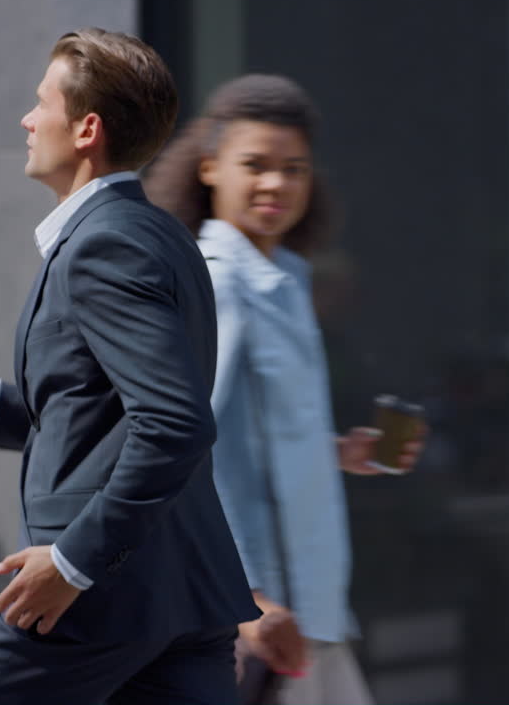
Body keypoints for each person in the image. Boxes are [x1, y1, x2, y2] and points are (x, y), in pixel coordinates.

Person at [0, 29, 259, 704]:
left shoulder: (104, 247)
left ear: (86, 129)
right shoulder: (159, 236)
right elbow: (113, 415)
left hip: (98, 600)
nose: (27, 119)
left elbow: (176, 425)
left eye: (41, 103)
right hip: (181, 597)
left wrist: (73, 563)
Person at [144, 74, 425, 705]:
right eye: (256, 165)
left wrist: (340, 452)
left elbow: (251, 436)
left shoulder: (284, 279)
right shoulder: (217, 284)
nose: (276, 183)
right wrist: (244, 598)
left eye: (294, 168)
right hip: (254, 622)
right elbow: (183, 453)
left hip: (305, 615)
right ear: (210, 167)